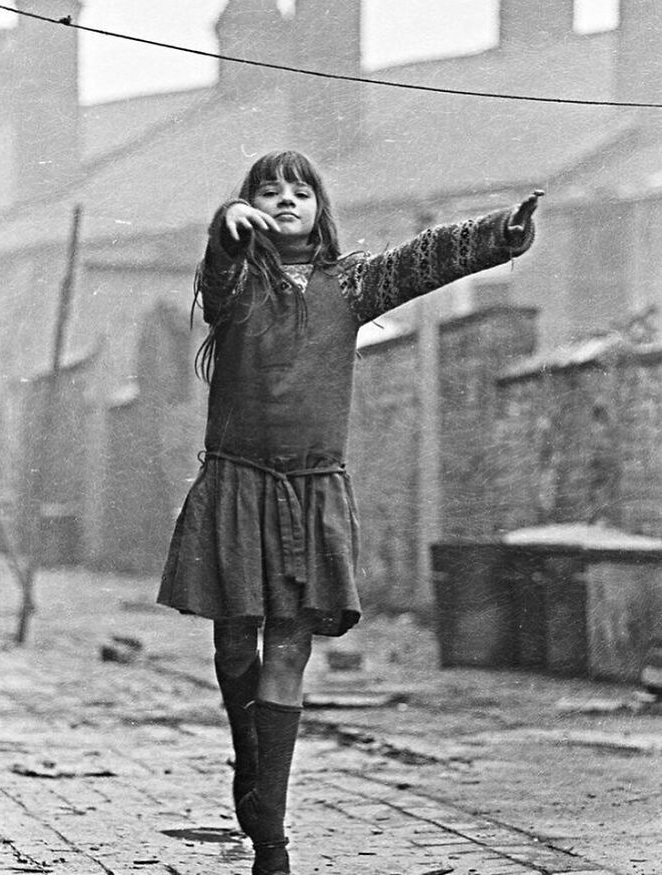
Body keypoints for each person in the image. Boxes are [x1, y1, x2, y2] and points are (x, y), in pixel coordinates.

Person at [157, 150, 539, 875]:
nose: (285, 199)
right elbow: (215, 286)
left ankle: (271, 839)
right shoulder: (238, 280)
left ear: (319, 207)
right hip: (238, 483)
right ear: (250, 209)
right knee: (236, 646)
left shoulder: (351, 282)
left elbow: (424, 258)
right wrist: (222, 231)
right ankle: (249, 753)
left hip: (312, 492)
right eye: (268, 191)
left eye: (299, 189)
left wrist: (501, 233)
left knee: (291, 650)